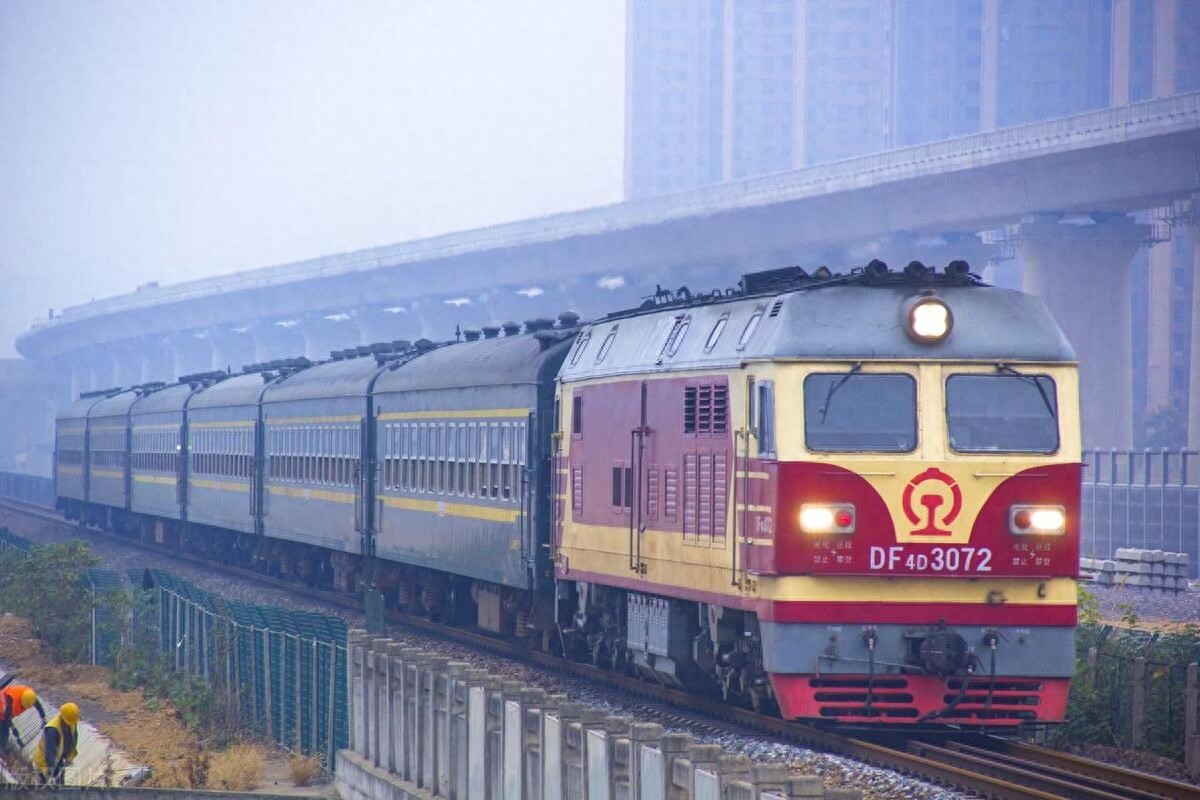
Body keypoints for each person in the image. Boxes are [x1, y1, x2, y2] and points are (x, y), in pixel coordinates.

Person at [34, 702, 78, 786]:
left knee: (60, 786)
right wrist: (50, 772)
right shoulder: (52, 730)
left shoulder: (71, 722)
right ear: (62, 718)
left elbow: (73, 738)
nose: (70, 724)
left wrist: (69, 756)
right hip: (44, 763)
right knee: (45, 789)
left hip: (58, 759)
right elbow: (50, 752)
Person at [0, 684, 45, 750]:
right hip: (2, 713)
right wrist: (14, 730)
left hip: (6, 713)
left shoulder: (30, 695)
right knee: (4, 732)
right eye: (23, 706)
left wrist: (43, 718)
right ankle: (3, 750)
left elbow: (38, 705)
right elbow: (7, 720)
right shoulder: (10, 704)